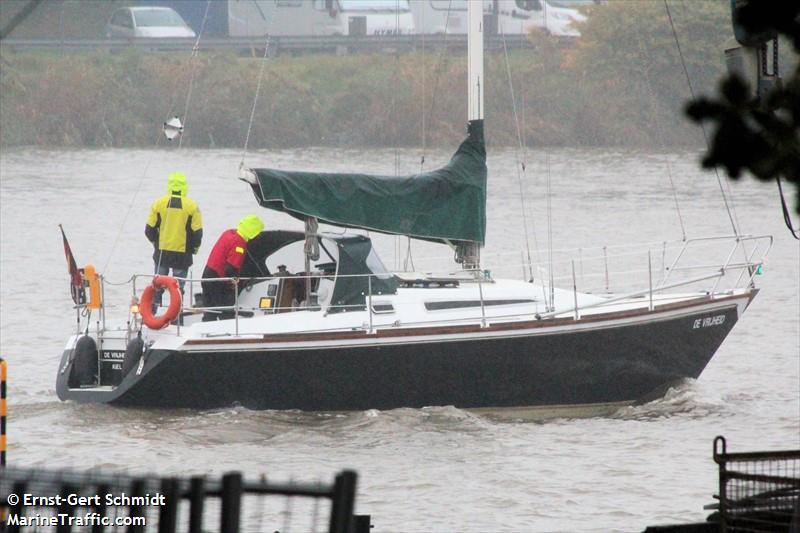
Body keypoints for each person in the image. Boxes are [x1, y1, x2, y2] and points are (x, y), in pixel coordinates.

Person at [145, 172, 203, 309]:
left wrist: (156, 244)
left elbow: (149, 230)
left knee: (157, 287)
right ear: (185, 186)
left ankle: (152, 315)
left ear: (169, 185)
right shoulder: (192, 206)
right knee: (177, 290)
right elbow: (198, 234)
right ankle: (177, 320)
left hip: (162, 253)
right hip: (182, 256)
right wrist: (194, 250)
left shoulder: (158, 204)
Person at [201, 214, 264, 321]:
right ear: (254, 232)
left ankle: (205, 334)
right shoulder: (239, 243)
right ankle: (228, 333)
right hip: (218, 280)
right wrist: (234, 283)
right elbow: (231, 268)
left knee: (210, 311)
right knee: (227, 311)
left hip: (207, 275)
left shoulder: (228, 233)